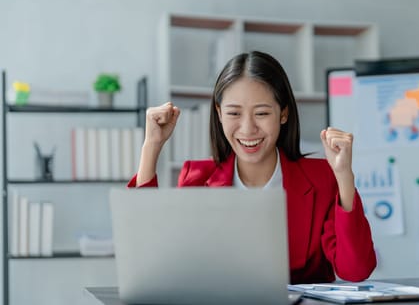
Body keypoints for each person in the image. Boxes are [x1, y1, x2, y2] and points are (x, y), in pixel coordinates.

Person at [128, 50, 376, 284]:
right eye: (234, 113)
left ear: (283, 114)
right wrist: (151, 147)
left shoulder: (322, 177)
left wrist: (344, 176)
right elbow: (150, 257)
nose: (247, 129)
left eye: (262, 113)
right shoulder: (196, 178)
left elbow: (355, 271)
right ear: (219, 113)